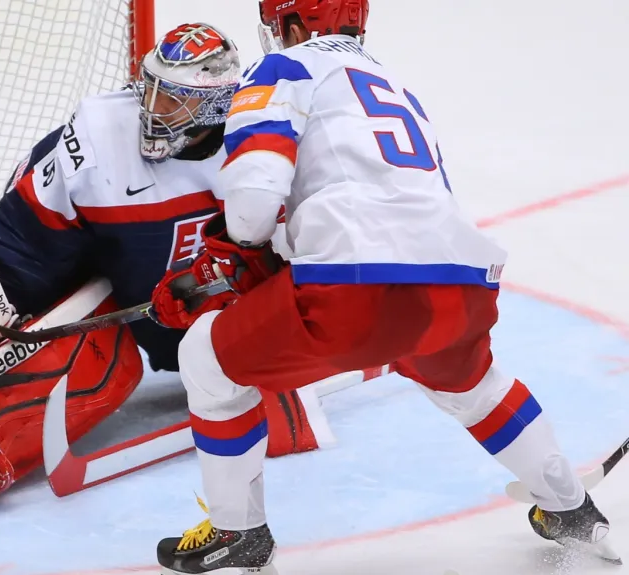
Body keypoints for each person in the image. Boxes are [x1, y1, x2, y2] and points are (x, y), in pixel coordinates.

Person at [148, 1, 619, 573]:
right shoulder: (394, 84)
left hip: (356, 288)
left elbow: (251, 213)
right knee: (475, 387)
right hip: (462, 282)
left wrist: (231, 263)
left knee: (206, 357)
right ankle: (572, 510)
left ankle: (238, 530)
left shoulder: (284, 68)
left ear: (293, 24)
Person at [0, 23, 326, 505]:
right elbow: (25, 238)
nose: (152, 109)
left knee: (219, 344)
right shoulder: (100, 134)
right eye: (151, 89)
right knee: (89, 352)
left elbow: (285, 251)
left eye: (173, 100)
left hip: (204, 301)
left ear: (216, 106)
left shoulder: (262, 145)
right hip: (109, 268)